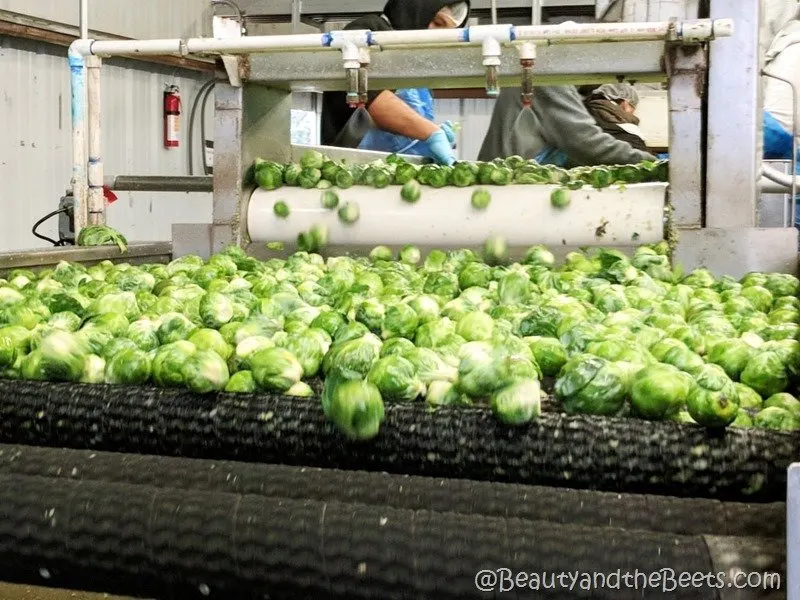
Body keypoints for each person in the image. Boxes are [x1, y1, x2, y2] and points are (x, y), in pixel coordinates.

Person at [320, 1, 471, 166]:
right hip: (354, 171)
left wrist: (433, 133)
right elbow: (369, 96)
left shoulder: (416, 61)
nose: (439, 35)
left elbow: (408, 121)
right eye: (437, 23)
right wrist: (430, 132)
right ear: (415, 10)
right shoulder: (369, 31)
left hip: (405, 172)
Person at [477, 84, 656, 166]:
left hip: (508, 183)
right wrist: (651, 163)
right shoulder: (549, 81)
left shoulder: (554, 82)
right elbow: (584, 142)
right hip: (509, 186)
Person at [582, 83, 648, 152]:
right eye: (633, 107)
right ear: (625, 104)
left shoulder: (579, 119)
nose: (633, 114)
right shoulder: (630, 135)